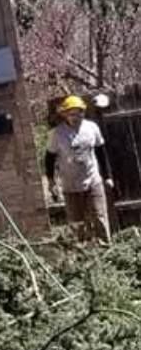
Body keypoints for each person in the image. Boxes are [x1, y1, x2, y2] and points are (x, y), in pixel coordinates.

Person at [45, 94, 114, 242]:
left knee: (99, 217)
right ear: (64, 115)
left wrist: (107, 177)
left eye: (79, 113)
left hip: (93, 181)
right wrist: (51, 181)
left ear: (83, 112)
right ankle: (83, 254)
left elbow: (100, 152)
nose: (76, 117)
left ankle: (106, 248)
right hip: (70, 185)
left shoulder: (92, 128)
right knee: (77, 225)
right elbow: (49, 158)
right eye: (71, 114)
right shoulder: (56, 134)